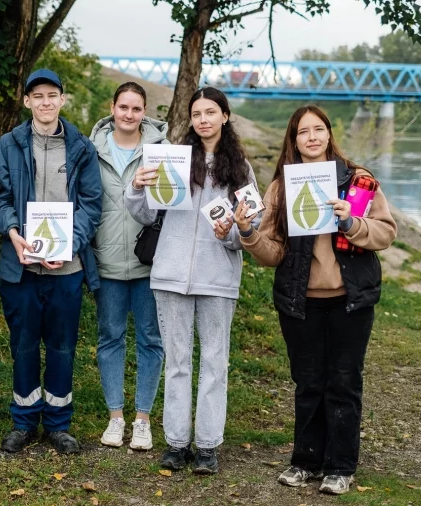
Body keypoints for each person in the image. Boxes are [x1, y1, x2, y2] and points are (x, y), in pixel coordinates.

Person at [234, 105, 396, 495]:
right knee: (308, 383)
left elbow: (387, 233)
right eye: (303, 131)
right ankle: (306, 460)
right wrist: (248, 233)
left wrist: (351, 221)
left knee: (343, 382)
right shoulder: (281, 188)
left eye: (318, 129)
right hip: (299, 302)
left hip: (350, 300)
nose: (311, 137)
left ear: (328, 134)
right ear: (293, 139)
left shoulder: (358, 181)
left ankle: (340, 466)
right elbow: (273, 253)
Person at [125, 87, 260, 473]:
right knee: (178, 362)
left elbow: (251, 225)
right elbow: (146, 214)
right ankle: (177, 443)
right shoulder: (175, 161)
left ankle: (207, 446)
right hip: (169, 276)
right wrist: (136, 187)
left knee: (215, 362)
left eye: (211, 112)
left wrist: (230, 234)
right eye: (197, 113)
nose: (203, 119)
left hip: (217, 279)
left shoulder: (241, 168)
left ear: (225, 116)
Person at [0, 69, 102, 455]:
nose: (45, 102)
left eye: (51, 95)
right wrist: (13, 234)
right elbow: (1, 197)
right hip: (21, 266)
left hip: (67, 269)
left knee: (61, 346)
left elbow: (92, 205)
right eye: (37, 95)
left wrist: (69, 246)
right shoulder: (9, 143)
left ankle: (58, 423)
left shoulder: (82, 148)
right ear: (27, 102)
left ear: (62, 99)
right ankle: (23, 422)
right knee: (23, 346)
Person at [88, 82, 165, 450]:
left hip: (150, 262)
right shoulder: (91, 150)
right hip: (107, 262)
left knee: (151, 339)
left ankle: (144, 419)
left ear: (144, 111)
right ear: (113, 108)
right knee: (110, 337)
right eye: (123, 107)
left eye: (136, 109)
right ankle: (115, 417)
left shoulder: (162, 152)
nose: (129, 115)